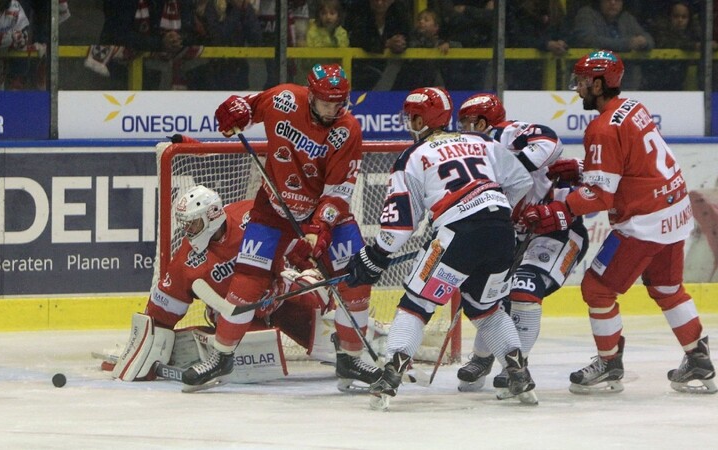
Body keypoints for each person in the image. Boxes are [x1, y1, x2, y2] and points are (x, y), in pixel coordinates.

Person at [524, 50, 717, 394]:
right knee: (667, 288)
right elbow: (632, 165)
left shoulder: (601, 128)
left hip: (645, 222)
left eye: (583, 82)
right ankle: (698, 357)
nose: (578, 88)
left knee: (597, 289)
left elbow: (600, 197)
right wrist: (583, 170)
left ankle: (610, 362)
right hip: (675, 211)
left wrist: (560, 208)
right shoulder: (633, 108)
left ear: (598, 84)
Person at [191, 63, 382, 391]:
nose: (333, 109)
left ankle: (350, 360)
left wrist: (321, 226)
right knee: (248, 281)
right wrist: (233, 113)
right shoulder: (283, 99)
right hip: (273, 209)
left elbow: (338, 192)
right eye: (326, 103)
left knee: (356, 281)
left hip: (326, 214)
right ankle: (221, 356)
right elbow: (245, 108)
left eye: (340, 102)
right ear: (311, 96)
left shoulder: (347, 129)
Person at [345, 87, 538, 409]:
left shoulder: (413, 155)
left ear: (422, 118)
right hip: (500, 232)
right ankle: (519, 374)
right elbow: (521, 182)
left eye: (411, 116)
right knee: (486, 308)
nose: (408, 122)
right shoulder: (483, 142)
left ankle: (390, 376)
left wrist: (376, 254)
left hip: (458, 236)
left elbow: (401, 222)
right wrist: (494, 212)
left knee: (416, 305)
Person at [111, 183, 333, 381]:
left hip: (278, 296)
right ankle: (200, 343)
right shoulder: (185, 262)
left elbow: (294, 246)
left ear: (213, 215)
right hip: (233, 317)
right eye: (186, 225)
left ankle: (352, 341)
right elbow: (161, 312)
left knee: (326, 327)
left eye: (194, 224)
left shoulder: (250, 216)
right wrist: (148, 345)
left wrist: (309, 266)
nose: (188, 231)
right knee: (253, 365)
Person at [453, 93, 589, 392]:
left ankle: (516, 366)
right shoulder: (469, 155)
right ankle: (481, 357)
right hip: (514, 234)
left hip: (557, 233)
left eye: (466, 122)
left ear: (482, 122)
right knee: (490, 293)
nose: (462, 129)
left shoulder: (505, 134)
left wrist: (513, 167)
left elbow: (550, 141)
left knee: (524, 287)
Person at [571, 0, 654, 90]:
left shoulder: (626, 18)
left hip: (626, 81)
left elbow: (648, 39)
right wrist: (627, 44)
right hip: (594, 79)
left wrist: (644, 42)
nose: (613, 3)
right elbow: (589, 39)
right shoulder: (586, 14)